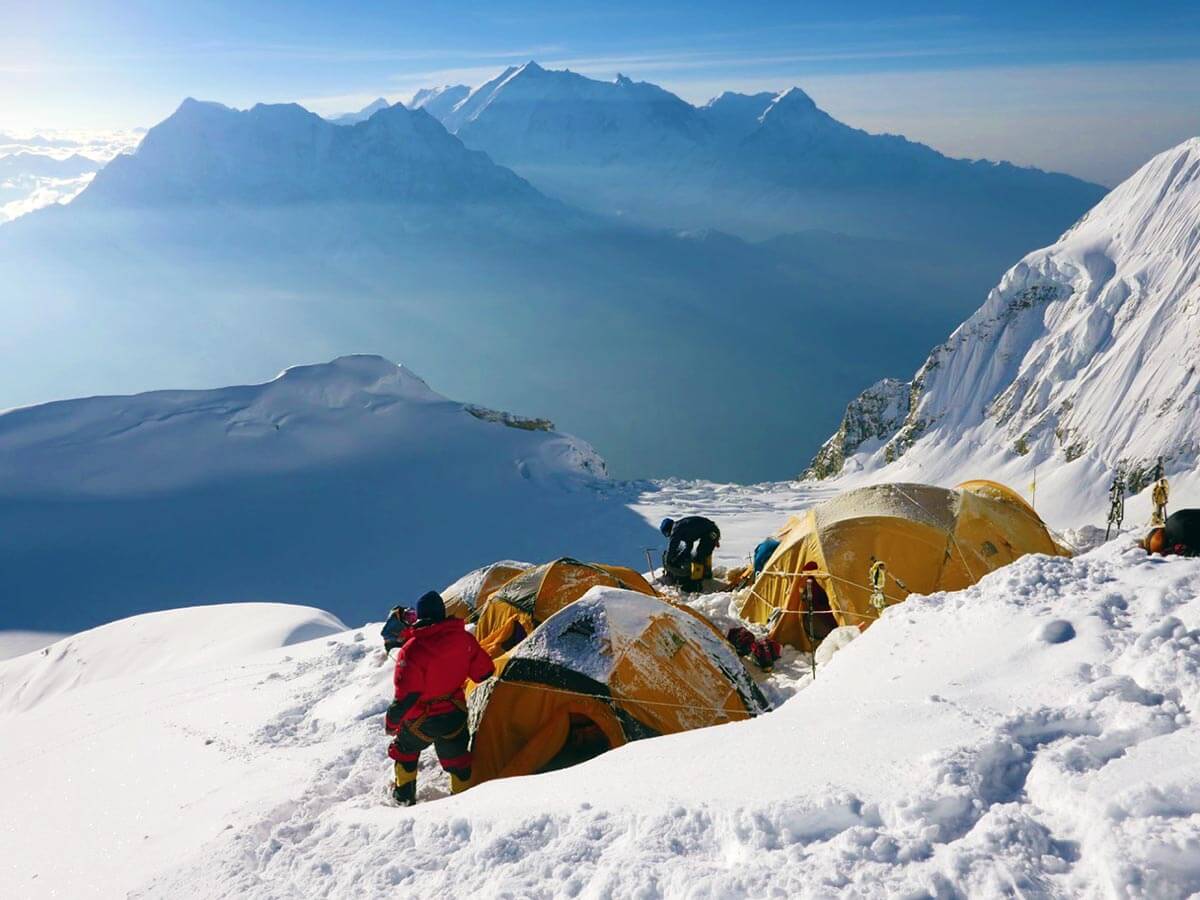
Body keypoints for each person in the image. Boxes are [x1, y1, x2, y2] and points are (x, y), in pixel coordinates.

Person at [384, 590, 495, 806]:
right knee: (458, 761)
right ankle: (462, 800)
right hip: (454, 713)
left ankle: (404, 797)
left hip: (420, 719)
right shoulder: (464, 639)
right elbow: (484, 673)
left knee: (405, 752)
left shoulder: (412, 649)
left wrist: (392, 722)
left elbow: (407, 696)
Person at [659, 515, 720, 592]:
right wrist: (679, 558)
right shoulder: (682, 528)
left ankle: (696, 585)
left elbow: (672, 546)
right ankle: (706, 576)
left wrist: (668, 561)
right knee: (703, 553)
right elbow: (688, 546)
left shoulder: (676, 529)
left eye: (668, 535)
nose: (669, 536)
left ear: (668, 530)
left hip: (711, 533)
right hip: (712, 531)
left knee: (699, 557)